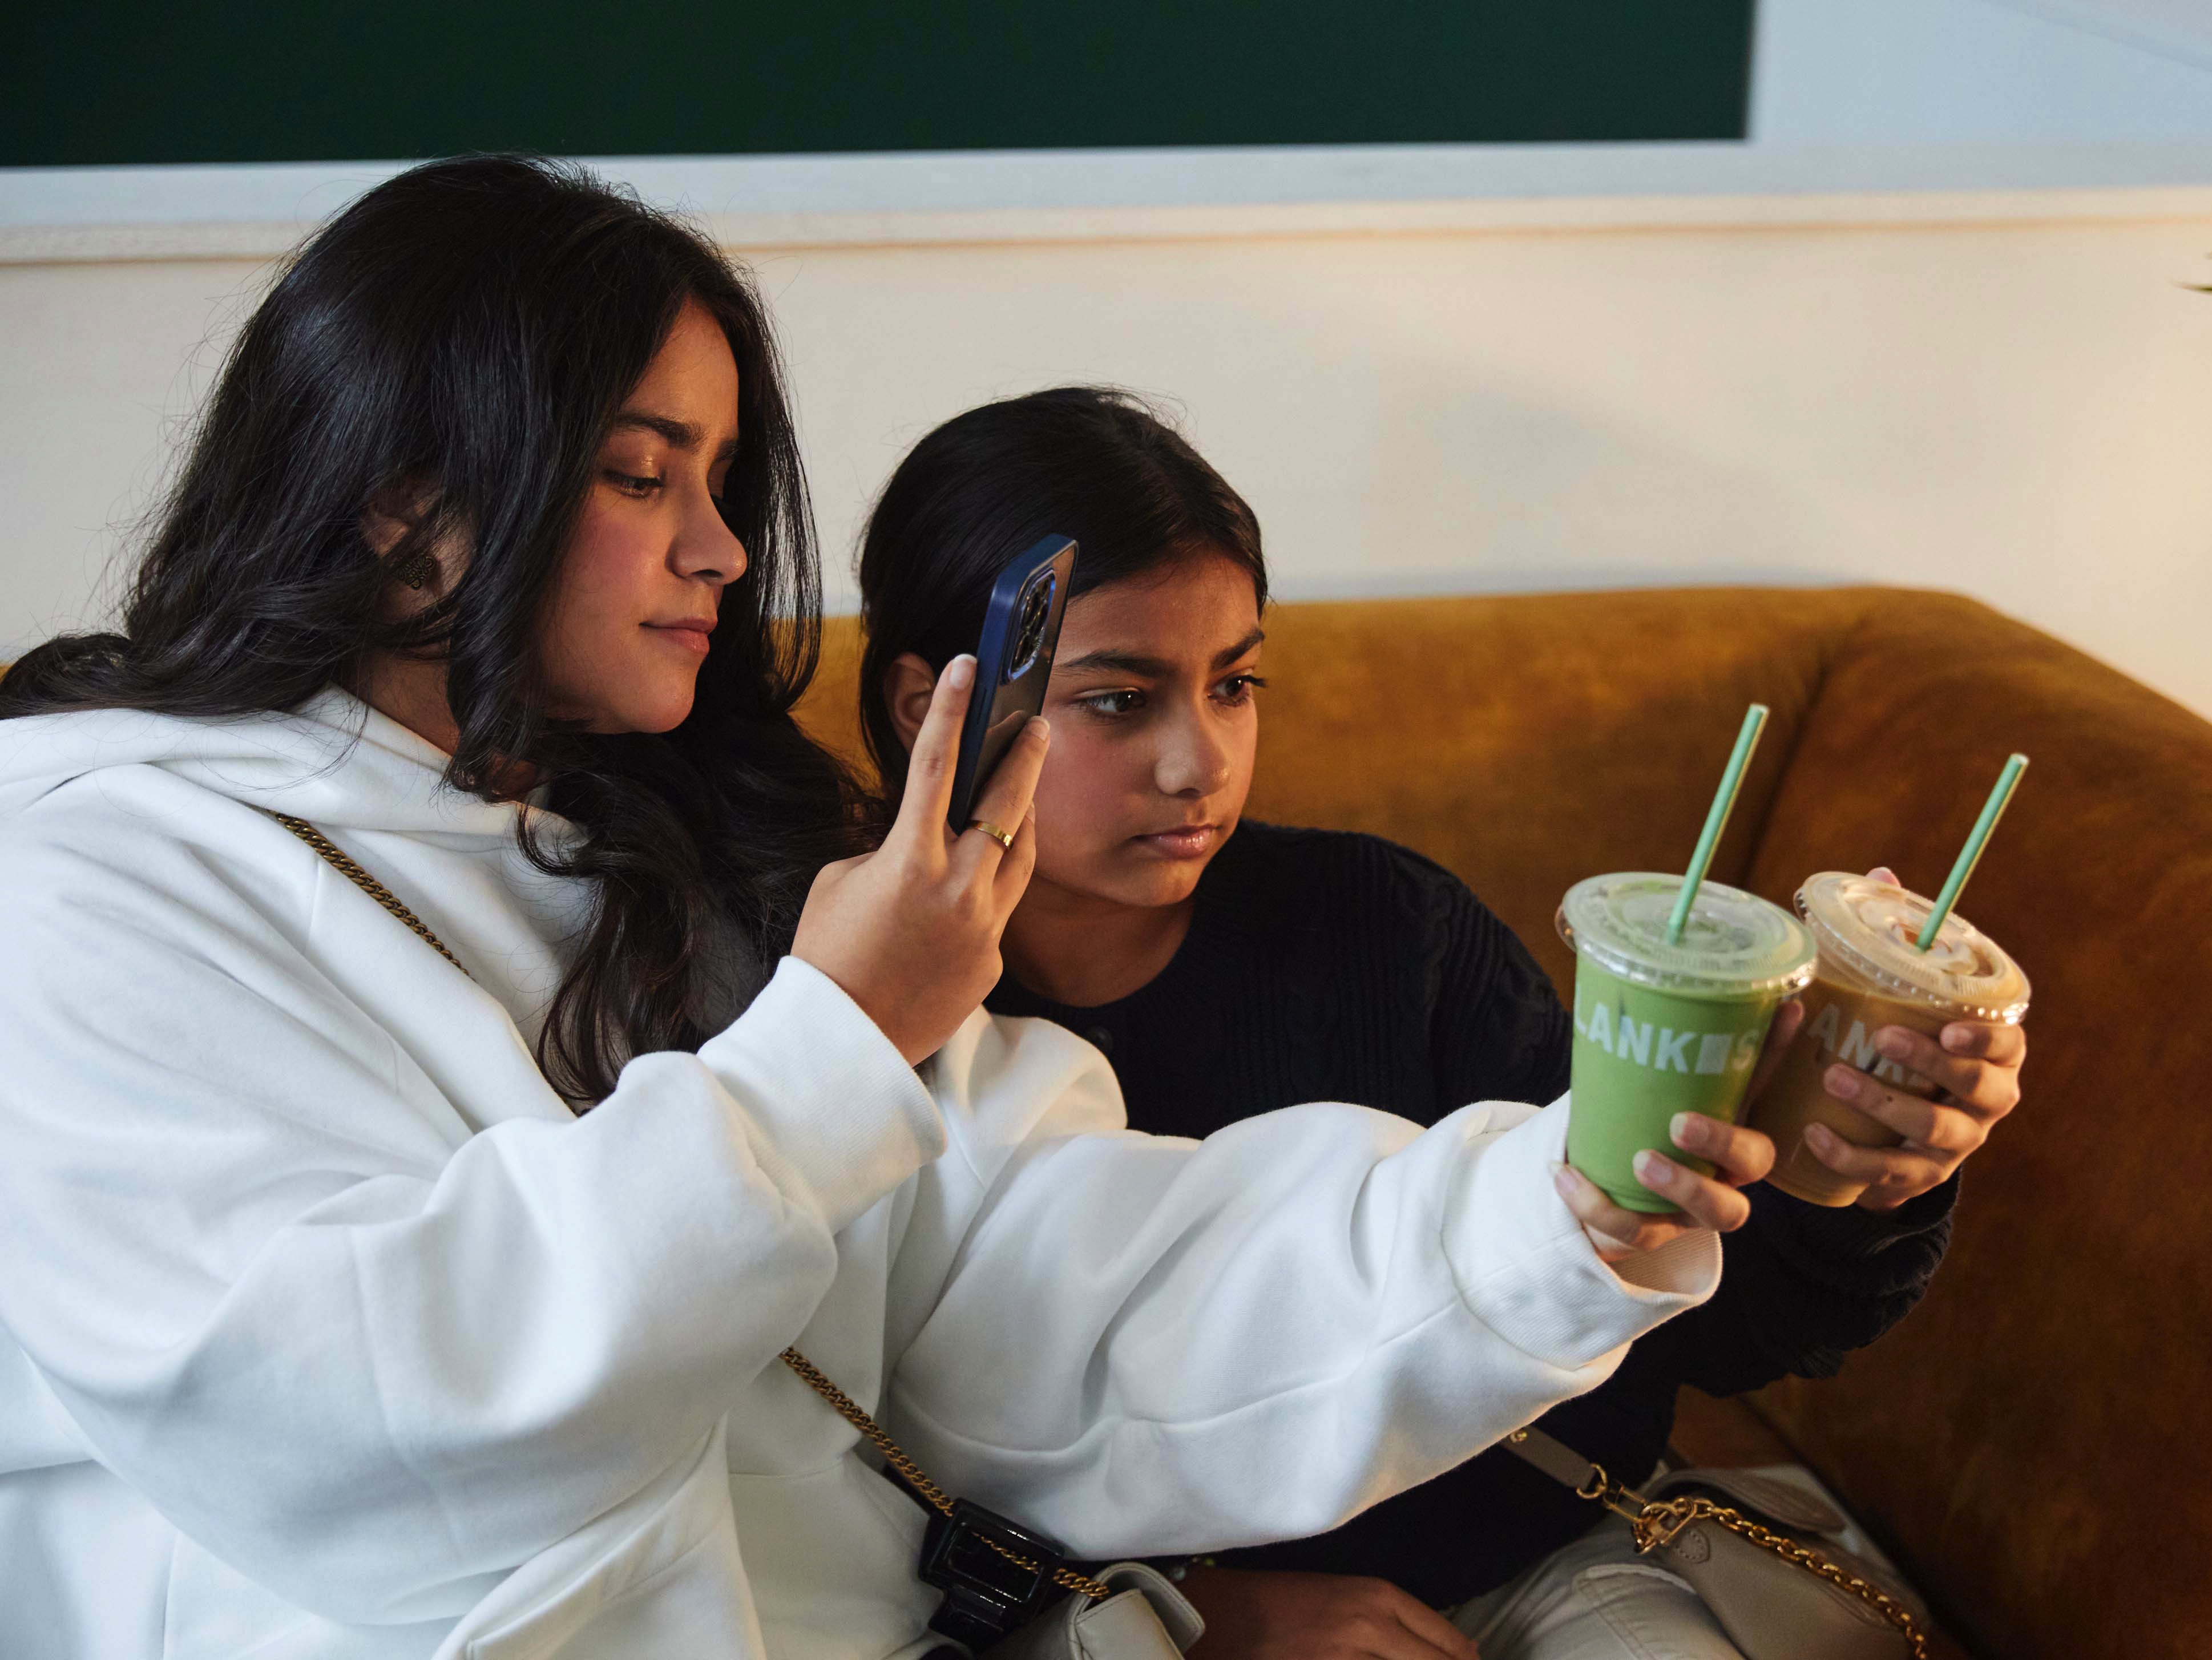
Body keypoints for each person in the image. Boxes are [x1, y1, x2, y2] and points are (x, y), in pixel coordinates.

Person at [0, 160, 1738, 1660]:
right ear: (407, 504)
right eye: (641, 475)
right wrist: (827, 1048)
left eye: (717, 480)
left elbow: (1064, 1287)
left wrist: (1554, 1203)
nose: (721, 551)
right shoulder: (100, 875)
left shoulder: (660, 849)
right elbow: (348, 1417)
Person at [856, 386, 2028, 1660]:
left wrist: (1859, 1168)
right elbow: (837, 1475)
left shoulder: (1389, 928)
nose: (1203, 764)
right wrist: (1193, 1614)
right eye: (1118, 700)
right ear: (931, 706)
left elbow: (1714, 1325)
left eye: (1236, 683)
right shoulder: (857, 1015)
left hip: (1546, 1567)